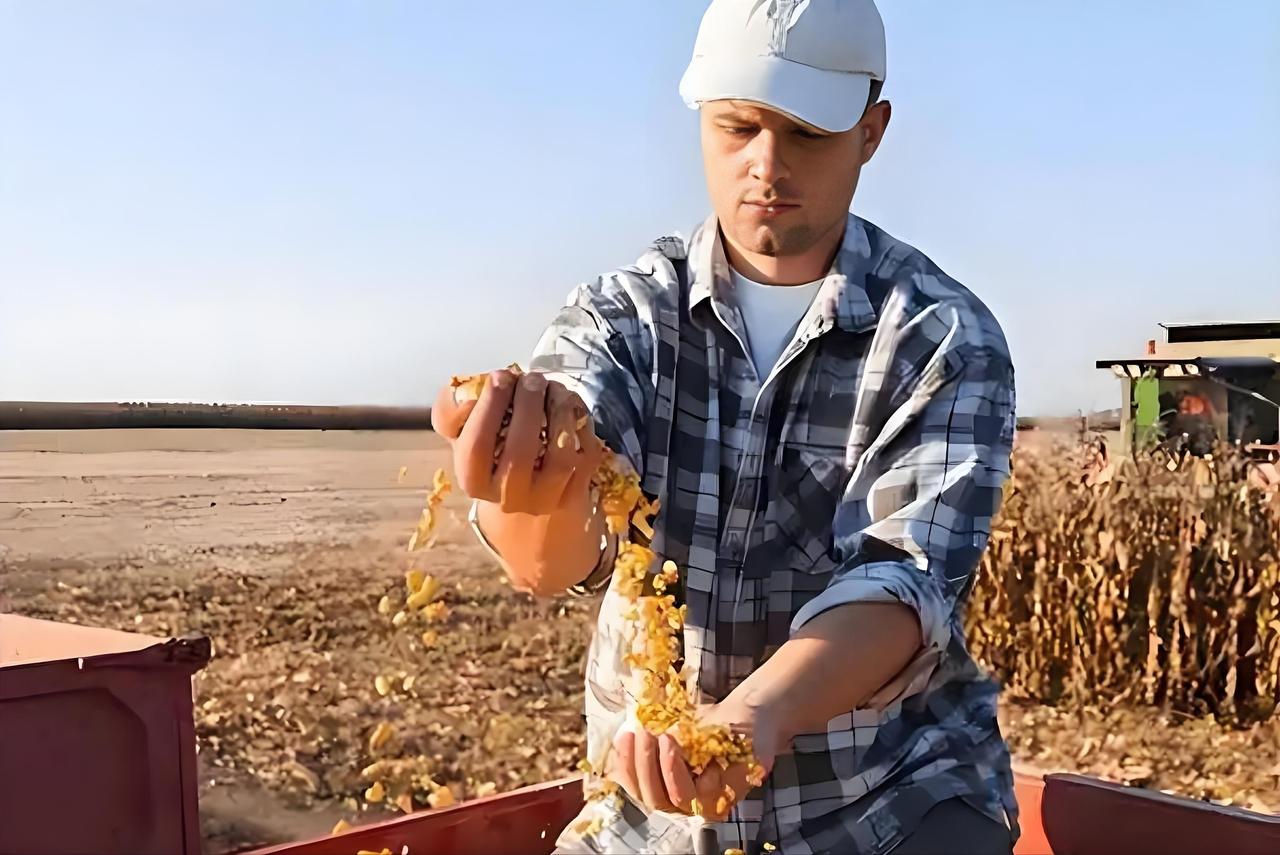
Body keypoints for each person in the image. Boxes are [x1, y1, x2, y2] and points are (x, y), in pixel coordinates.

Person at [431, 1, 1018, 852]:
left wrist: (755, 713)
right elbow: (554, 558)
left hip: (885, 802)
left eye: (807, 133)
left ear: (871, 131)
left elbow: (899, 584)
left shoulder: (940, 338)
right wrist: (528, 467)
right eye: (737, 128)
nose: (766, 166)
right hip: (648, 818)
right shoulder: (624, 318)